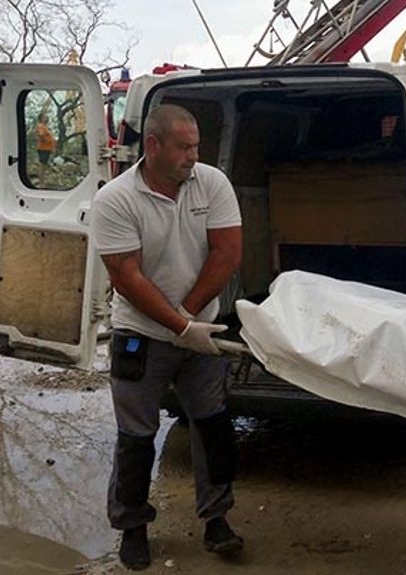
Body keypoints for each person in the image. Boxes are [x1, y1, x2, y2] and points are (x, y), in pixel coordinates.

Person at [91, 104, 244, 570]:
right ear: (153, 146)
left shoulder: (212, 183)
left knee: (214, 428)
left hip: (201, 331)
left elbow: (227, 252)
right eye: (184, 147)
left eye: (197, 145)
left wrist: (190, 316)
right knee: (136, 437)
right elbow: (126, 275)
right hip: (140, 336)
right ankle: (132, 528)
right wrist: (179, 327)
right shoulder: (116, 199)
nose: (193, 156)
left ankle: (217, 520)